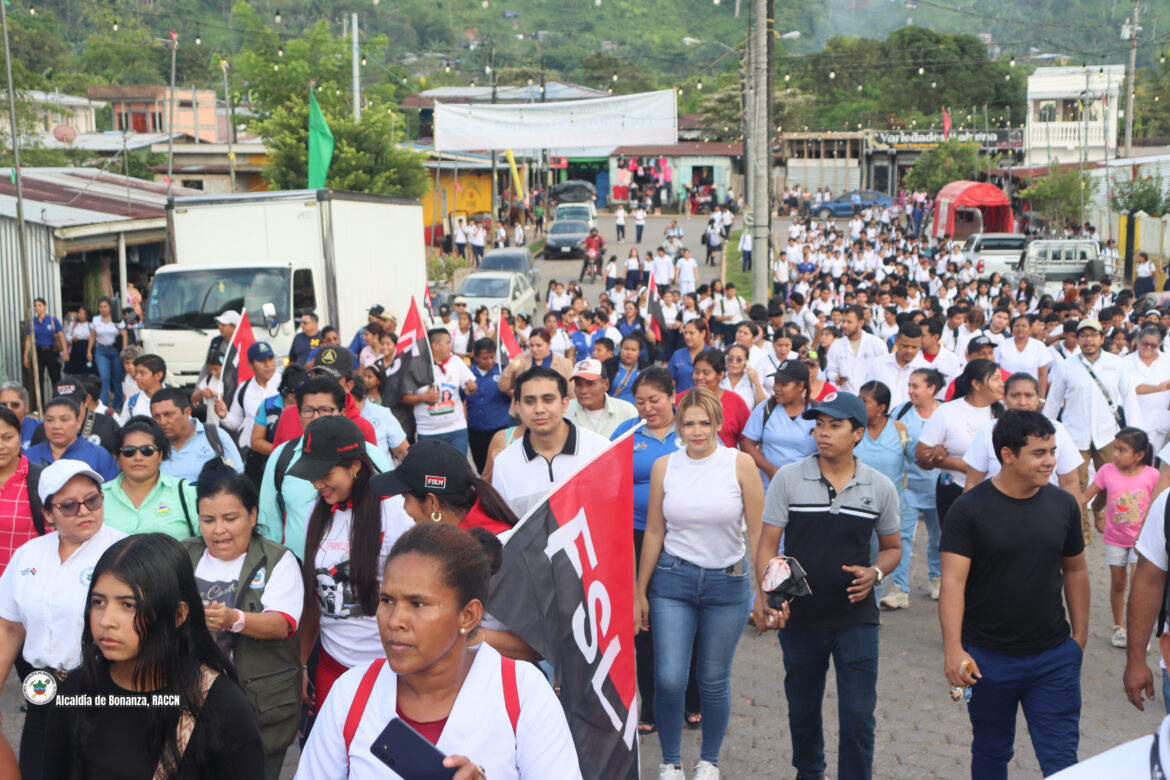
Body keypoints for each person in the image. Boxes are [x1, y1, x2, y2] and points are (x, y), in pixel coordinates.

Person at [295, 523, 581, 779]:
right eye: (387, 600)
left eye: (418, 604)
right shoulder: (350, 695)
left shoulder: (523, 693)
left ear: (468, 615)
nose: (395, 621)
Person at [755, 392, 902, 780]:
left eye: (834, 425)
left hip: (857, 618)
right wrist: (770, 597)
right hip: (801, 618)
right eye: (819, 424)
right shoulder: (788, 478)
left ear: (857, 433)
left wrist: (877, 573)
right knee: (802, 711)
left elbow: (892, 549)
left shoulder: (880, 486)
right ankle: (810, 772)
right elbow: (769, 545)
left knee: (858, 717)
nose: (823, 432)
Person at [939, 410, 1088, 779]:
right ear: (1007, 455)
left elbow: (1077, 569)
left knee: (1061, 760)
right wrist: (954, 649)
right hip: (987, 660)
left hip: (1054, 658)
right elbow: (952, 583)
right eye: (1039, 453)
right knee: (991, 752)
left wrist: (1078, 641)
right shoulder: (969, 509)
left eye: (1052, 450)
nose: (1051, 460)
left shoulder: (1063, 504)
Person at [42, 532, 265, 780]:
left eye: (128, 605)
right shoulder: (76, 692)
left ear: (177, 615)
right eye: (98, 602)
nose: (106, 621)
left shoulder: (221, 706)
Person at [636, 387, 764, 780]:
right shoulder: (665, 466)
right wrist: (640, 590)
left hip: (727, 584)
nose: (696, 431)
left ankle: (709, 760)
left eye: (704, 422)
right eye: (688, 423)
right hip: (672, 581)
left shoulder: (739, 464)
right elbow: (655, 531)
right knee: (669, 678)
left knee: (712, 679)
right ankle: (670, 761)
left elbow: (758, 533)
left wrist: (763, 593)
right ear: (678, 424)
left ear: (718, 424)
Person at [0, 460, 127, 779]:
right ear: (47, 513)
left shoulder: (126, 552)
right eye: (69, 506)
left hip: (104, 690)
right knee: (38, 769)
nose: (84, 511)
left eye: (93, 500)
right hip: (41, 689)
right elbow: (10, 628)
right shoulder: (29, 555)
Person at [183, 462, 303, 779]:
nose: (218, 529)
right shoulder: (184, 555)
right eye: (208, 520)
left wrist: (232, 618)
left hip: (258, 705)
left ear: (251, 516)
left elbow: (282, 624)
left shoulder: (277, 559)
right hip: (191, 702)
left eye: (230, 518)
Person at [290, 415, 413, 720]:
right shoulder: (315, 514)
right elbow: (313, 600)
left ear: (355, 466)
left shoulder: (396, 511)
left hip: (393, 669)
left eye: (325, 473)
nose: (317, 484)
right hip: (332, 667)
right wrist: (302, 663)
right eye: (311, 475)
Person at [257, 377, 391, 561]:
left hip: (359, 575)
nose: (316, 417)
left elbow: (390, 515)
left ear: (343, 412)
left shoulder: (371, 456)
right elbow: (268, 521)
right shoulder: (282, 457)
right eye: (308, 411)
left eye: (326, 410)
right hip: (299, 574)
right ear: (298, 414)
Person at [1043, 318, 1143, 544]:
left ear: (1101, 337)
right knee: (1075, 485)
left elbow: (1129, 398)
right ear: (1077, 339)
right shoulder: (1066, 366)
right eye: (1083, 336)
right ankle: (1082, 529)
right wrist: (1043, 432)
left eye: (1092, 335)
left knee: (1112, 480)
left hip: (1107, 433)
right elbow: (1054, 401)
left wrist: (1136, 433)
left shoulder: (1116, 363)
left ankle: (1098, 507)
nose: (1088, 340)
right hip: (1074, 434)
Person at [491, 366, 609, 518]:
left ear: (564, 404)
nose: (539, 409)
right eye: (530, 401)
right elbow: (504, 524)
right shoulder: (504, 463)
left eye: (548, 400)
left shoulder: (600, 450)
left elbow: (613, 514)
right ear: (518, 408)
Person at [1080, 427, 1157, 649]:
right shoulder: (1107, 471)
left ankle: (1137, 631)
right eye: (1115, 448)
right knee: (1118, 584)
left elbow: (1159, 504)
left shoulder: (1152, 475)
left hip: (1140, 543)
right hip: (1114, 540)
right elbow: (1086, 496)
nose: (1115, 454)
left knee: (1137, 585)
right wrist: (1092, 512)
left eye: (1122, 450)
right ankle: (1118, 627)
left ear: (1139, 455)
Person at [916, 359, 1005, 530]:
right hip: (953, 488)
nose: (1002, 384)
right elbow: (921, 452)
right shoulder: (948, 411)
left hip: (993, 491)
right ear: (977, 384)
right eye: (995, 379)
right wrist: (962, 466)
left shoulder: (1001, 414)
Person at [962, 373, 1082, 497]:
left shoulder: (1057, 430)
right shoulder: (988, 430)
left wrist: (1074, 515)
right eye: (1015, 395)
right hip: (996, 508)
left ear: (1038, 397)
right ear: (1004, 398)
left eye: (1029, 395)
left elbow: (1070, 483)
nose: (1022, 402)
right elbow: (973, 482)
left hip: (1046, 509)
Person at [853, 381, 914, 610]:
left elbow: (918, 460)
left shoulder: (900, 430)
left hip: (890, 508)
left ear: (881, 407)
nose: (859, 404)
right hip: (855, 507)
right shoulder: (853, 428)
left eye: (864, 401)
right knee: (855, 557)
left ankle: (873, 608)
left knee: (879, 561)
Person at [893, 367, 944, 602]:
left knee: (939, 535)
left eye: (916, 386)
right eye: (910, 385)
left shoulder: (946, 413)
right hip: (907, 485)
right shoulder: (901, 412)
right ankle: (899, 588)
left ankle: (937, 579)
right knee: (902, 535)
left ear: (931, 389)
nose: (911, 390)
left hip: (939, 485)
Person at [102, 416, 199, 539]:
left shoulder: (186, 493)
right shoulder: (98, 497)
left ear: (160, 455)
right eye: (129, 451)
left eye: (147, 450)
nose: (138, 457)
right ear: (118, 458)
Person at [740, 359, 817, 489]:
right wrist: (768, 468)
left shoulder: (816, 412)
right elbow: (747, 443)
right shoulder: (766, 408)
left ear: (800, 386)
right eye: (776, 383)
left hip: (807, 489)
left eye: (784, 384)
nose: (776, 388)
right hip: (769, 488)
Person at [400, 328, 477, 456]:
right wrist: (424, 397)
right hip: (428, 432)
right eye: (447, 343)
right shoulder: (415, 365)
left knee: (458, 471)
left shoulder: (456, 362)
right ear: (435, 345)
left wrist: (472, 388)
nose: (451, 346)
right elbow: (402, 397)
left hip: (456, 430)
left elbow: (469, 390)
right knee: (433, 473)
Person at [151, 388, 244, 483]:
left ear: (187, 413)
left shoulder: (215, 436)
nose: (162, 422)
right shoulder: (150, 445)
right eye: (156, 417)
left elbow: (238, 479)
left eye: (168, 414)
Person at [24, 397, 119, 481]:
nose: (56, 426)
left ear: (79, 422)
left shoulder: (99, 456)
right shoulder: (28, 456)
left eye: (64, 419)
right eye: (49, 420)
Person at [0, 405, 43, 576]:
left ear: (20, 436)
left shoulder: (40, 480)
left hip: (25, 587)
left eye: (7, 437)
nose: (1, 446)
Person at [218, 341, 282, 451]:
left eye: (271, 359)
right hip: (255, 454)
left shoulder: (284, 384)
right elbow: (235, 423)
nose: (268, 364)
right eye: (262, 360)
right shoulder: (244, 389)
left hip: (283, 453)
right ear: (250, 365)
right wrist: (224, 415)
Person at [685, 349, 750, 448]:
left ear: (721, 374)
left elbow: (746, 443)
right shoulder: (682, 400)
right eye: (697, 372)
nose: (700, 377)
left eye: (706, 373)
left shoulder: (736, 402)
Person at [565, 358, 637, 438]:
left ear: (606, 384)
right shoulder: (564, 411)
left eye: (590, 384)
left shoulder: (627, 412)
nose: (583, 390)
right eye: (578, 384)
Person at [497, 327, 576, 398]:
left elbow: (572, 394)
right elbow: (503, 387)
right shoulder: (520, 359)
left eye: (539, 345)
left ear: (549, 344)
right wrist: (510, 369)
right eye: (531, 345)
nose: (534, 349)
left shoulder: (565, 364)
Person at [826, 305, 889, 394]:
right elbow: (831, 371)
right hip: (845, 396)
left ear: (860, 323)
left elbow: (884, 371)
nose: (844, 325)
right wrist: (836, 377)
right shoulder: (836, 346)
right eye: (843, 321)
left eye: (849, 322)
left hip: (870, 397)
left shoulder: (877, 344)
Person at [1126, 325, 1170, 453]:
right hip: (1134, 420)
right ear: (1138, 342)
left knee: (1153, 462)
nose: (1148, 348)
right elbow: (1131, 388)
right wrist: (1157, 388)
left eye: (1153, 345)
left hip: (1159, 420)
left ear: (1159, 345)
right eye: (1145, 344)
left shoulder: (1167, 361)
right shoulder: (1126, 362)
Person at [864, 321, 926, 408]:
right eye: (905, 346)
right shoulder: (879, 363)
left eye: (914, 347)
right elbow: (868, 393)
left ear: (920, 345)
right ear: (896, 341)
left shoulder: (926, 369)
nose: (909, 351)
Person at [994, 315, 1053, 397]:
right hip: (1006, 393)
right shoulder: (1003, 344)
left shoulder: (1039, 346)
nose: (1020, 328)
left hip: (1030, 394)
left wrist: (1041, 398)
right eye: (1017, 325)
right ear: (1012, 328)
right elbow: (996, 370)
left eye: (1024, 326)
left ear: (1030, 329)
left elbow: (1043, 375)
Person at [86, 298, 127, 409]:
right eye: (101, 307)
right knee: (104, 377)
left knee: (117, 378)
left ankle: (118, 405)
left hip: (115, 350)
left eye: (105, 306)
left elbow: (124, 334)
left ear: (110, 307)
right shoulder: (96, 320)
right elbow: (92, 336)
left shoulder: (117, 318)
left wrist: (124, 351)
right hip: (101, 350)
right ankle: (103, 406)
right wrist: (89, 351)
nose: (103, 309)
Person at [24, 296, 66, 387]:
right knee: (38, 379)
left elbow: (61, 336)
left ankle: (57, 400)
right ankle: (40, 401)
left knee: (55, 377)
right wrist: (26, 356)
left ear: (45, 306)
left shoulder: (52, 320)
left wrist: (65, 352)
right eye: (35, 306)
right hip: (38, 352)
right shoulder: (32, 322)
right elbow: (28, 340)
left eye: (39, 305)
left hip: (52, 351)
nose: (37, 308)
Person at [118, 352, 167, 424]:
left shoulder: (175, 399)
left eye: (142, 373)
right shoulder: (131, 404)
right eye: (136, 372)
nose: (137, 377)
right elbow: (122, 429)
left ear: (158, 375)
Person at [668, 319, 709, 394]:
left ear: (703, 333)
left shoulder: (712, 355)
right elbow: (671, 383)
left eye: (691, 333)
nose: (687, 337)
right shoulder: (678, 355)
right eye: (685, 333)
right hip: (681, 402)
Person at [721, 344, 765, 411]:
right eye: (730, 359)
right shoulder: (719, 379)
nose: (734, 362)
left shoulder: (751, 380)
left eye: (739, 359)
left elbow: (763, 405)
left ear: (746, 362)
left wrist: (756, 383)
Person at [65, 305, 93, 375]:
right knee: (75, 370)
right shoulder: (74, 324)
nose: (81, 315)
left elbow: (93, 337)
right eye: (80, 313)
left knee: (86, 370)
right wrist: (72, 339)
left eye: (83, 314)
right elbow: (67, 335)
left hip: (86, 348)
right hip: (75, 348)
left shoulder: (91, 325)